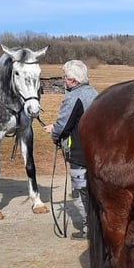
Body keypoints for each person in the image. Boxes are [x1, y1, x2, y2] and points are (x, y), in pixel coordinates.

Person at [43, 60, 98, 238]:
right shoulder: (93, 93)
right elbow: (78, 119)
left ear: (73, 80)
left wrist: (55, 134)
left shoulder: (73, 96)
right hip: (96, 152)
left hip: (79, 154)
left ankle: (91, 229)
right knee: (94, 191)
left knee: (80, 193)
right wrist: (56, 127)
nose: (63, 80)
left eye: (65, 77)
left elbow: (63, 125)